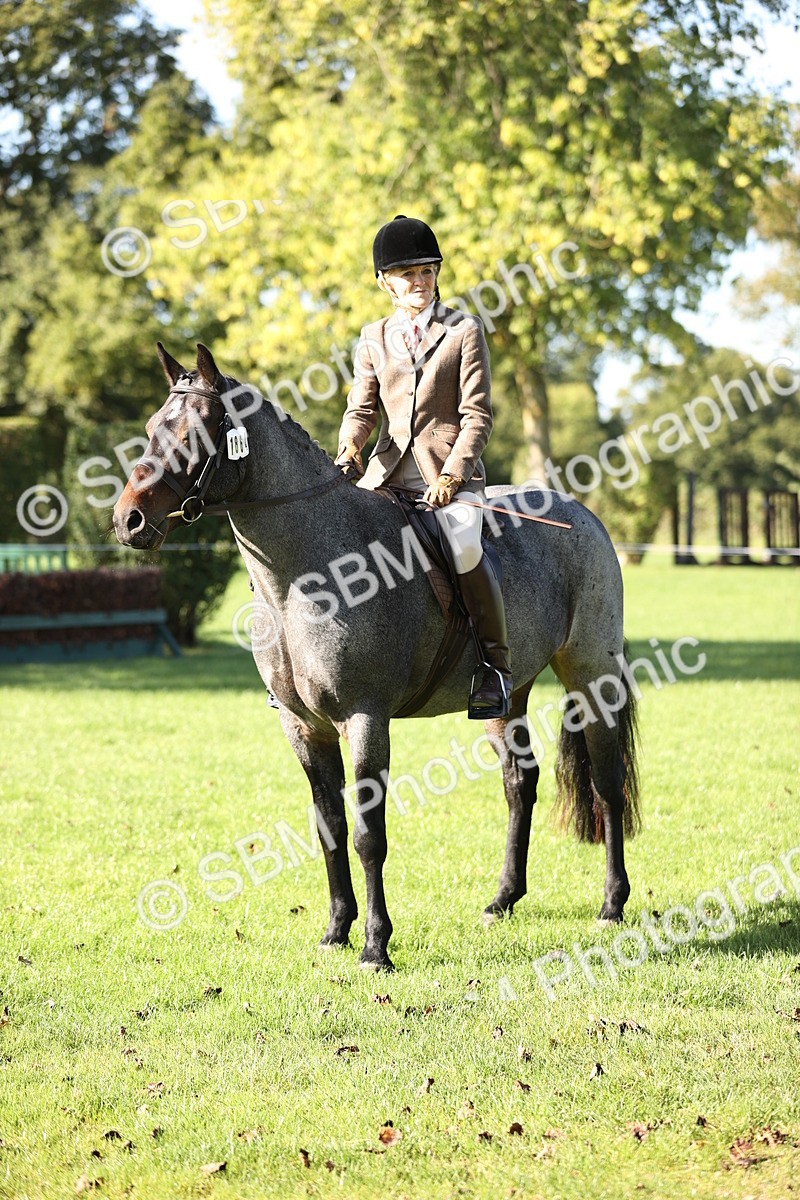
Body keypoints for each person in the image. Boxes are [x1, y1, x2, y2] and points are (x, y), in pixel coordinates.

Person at [335, 214, 512, 719]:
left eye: (427, 271)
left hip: (448, 475)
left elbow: (477, 415)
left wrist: (454, 476)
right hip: (385, 473)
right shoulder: (373, 336)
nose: (419, 281)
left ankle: (493, 667)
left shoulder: (464, 330)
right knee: (332, 533)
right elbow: (362, 408)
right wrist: (349, 448)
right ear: (385, 282)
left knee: (462, 543)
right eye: (408, 273)